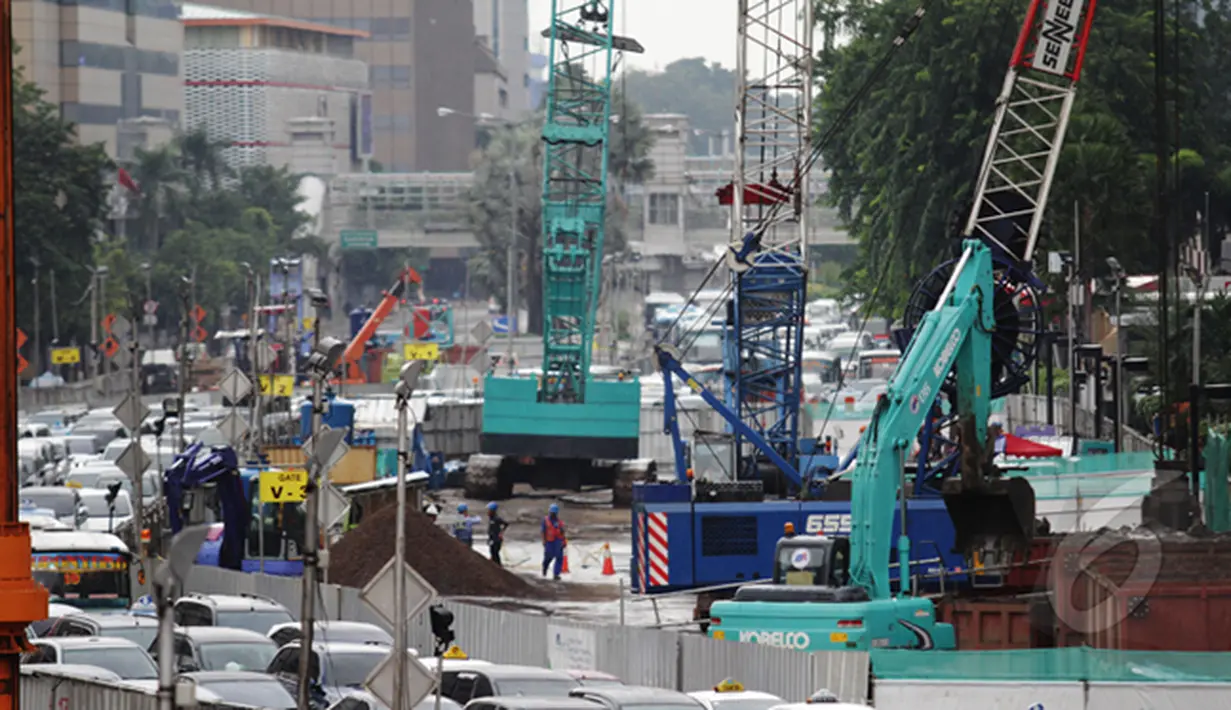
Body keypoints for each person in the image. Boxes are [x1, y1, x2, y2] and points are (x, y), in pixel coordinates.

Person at [541, 503, 567, 580]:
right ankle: (545, 567)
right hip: (549, 541)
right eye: (551, 512)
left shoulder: (559, 522)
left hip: (557, 541)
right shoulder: (545, 520)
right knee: (548, 557)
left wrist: (563, 541)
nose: (552, 514)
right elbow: (543, 531)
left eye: (554, 513)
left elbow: (562, 533)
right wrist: (543, 541)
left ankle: (556, 574)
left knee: (559, 557)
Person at [487, 502, 509, 567]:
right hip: (492, 538)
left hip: (497, 539)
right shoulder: (491, 518)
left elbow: (506, 524)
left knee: (495, 554)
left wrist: (501, 533)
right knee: (492, 552)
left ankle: (498, 567)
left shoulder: (497, 519)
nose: (487, 512)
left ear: (492, 511)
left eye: (489, 510)